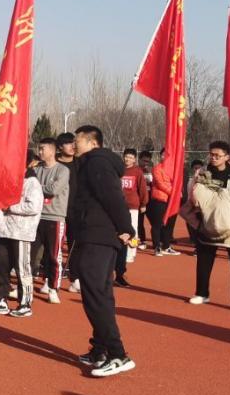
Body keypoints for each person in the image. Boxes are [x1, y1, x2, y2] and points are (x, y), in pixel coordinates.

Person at [67, 125, 136, 377]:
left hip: (99, 237)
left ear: (93, 143)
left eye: (78, 141)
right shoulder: (90, 163)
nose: (74, 145)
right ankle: (100, 349)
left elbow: (112, 196)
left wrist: (126, 227)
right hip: (94, 235)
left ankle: (119, 354)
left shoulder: (97, 162)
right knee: (100, 293)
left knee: (96, 294)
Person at [182, 141, 230, 312]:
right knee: (204, 259)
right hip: (207, 221)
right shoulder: (201, 172)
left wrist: (206, 189)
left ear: (227, 157)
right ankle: (202, 293)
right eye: (211, 154)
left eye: (217, 155)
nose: (213, 158)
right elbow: (193, 192)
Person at [0, 157, 44, 318]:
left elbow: (34, 206)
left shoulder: (32, 182)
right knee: (2, 266)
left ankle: (25, 303)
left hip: (21, 232)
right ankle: (1, 300)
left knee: (22, 268)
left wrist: (10, 207)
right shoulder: (9, 180)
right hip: (5, 230)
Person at [32, 138, 69, 303]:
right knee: (30, 254)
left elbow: (54, 190)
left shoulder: (62, 170)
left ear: (52, 151)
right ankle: (24, 286)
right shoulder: (36, 169)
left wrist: (37, 187)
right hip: (36, 216)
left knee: (54, 255)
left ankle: (53, 288)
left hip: (55, 217)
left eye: (43, 149)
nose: (40, 152)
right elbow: (28, 187)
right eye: (39, 149)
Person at [115, 147, 147, 288]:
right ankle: (122, 253)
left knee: (133, 230)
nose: (128, 159)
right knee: (120, 231)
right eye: (126, 156)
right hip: (119, 205)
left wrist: (143, 203)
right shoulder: (119, 169)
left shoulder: (137, 172)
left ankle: (131, 252)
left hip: (133, 205)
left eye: (131, 157)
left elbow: (142, 188)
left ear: (134, 159)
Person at [147, 148, 180, 256]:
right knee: (157, 224)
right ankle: (157, 247)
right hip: (160, 199)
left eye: (167, 155)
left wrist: (178, 193)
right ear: (160, 156)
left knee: (169, 224)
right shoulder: (157, 168)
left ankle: (166, 246)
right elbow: (160, 183)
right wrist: (174, 193)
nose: (165, 157)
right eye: (163, 155)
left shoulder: (175, 169)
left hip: (172, 200)